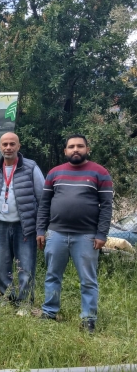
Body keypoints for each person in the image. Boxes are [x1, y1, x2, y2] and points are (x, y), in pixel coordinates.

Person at [36, 135, 113, 333]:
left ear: (88, 149)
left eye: (80, 146)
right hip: (56, 234)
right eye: (71, 146)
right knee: (52, 276)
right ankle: (49, 312)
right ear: (65, 151)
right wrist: (41, 230)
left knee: (88, 280)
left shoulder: (100, 173)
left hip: (86, 236)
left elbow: (106, 206)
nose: (75, 149)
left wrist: (101, 234)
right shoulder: (54, 173)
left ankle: (88, 319)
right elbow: (44, 205)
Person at [0, 133, 45, 310]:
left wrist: (41, 228)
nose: (8, 147)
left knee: (25, 266)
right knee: (1, 265)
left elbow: (43, 198)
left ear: (18, 146)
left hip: (24, 226)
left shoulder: (30, 167)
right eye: (5, 144)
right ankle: (7, 298)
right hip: (1, 225)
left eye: (12, 144)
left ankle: (25, 303)